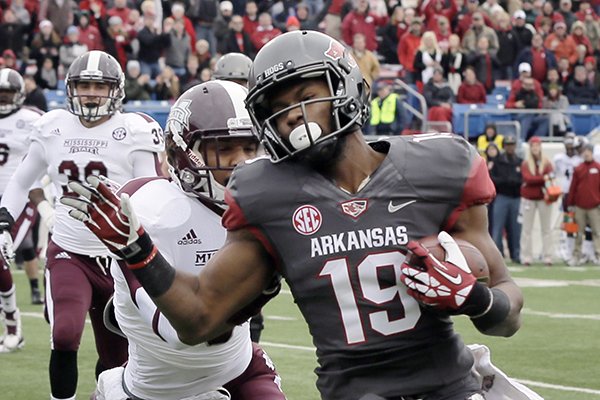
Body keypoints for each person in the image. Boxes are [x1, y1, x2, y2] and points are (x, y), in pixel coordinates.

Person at [65, 31, 525, 400]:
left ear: (348, 87)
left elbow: (508, 312)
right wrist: (139, 248)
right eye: (277, 107)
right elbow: (199, 320)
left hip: (453, 386)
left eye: (306, 95)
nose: (293, 115)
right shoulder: (267, 193)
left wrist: (476, 300)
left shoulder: (438, 165)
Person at [89, 80, 286, 400]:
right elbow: (180, 333)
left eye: (250, 147)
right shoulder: (150, 208)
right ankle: (115, 385)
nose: (241, 161)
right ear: (181, 153)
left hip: (237, 367)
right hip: (157, 387)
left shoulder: (266, 205)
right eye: (224, 148)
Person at [0, 50, 164, 400]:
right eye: (84, 85)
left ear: (115, 90)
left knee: (116, 356)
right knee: (65, 334)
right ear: (71, 88)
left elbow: (151, 193)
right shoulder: (53, 126)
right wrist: (4, 220)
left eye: (98, 86)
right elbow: (21, 180)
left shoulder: (134, 130)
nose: (90, 93)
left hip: (121, 258)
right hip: (70, 251)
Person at [212, 52, 267, 344]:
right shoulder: (207, 113)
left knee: (254, 294)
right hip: (211, 210)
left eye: (241, 83)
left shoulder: (264, 119)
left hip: (250, 213)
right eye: (229, 82)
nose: (236, 89)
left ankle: (250, 353)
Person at [0, 69, 47, 352]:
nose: (4, 100)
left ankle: (13, 326)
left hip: (20, 201)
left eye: (7, 95)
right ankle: (12, 325)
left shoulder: (33, 120)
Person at [519, 136, 554, 266]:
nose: (535, 148)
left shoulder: (547, 162)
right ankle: (526, 256)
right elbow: (528, 179)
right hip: (529, 198)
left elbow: (551, 176)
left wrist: (541, 178)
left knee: (546, 228)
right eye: (533, 146)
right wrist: (543, 178)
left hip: (544, 198)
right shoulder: (526, 163)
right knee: (527, 229)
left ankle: (548, 256)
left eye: (537, 146)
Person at [490, 136, 523, 264]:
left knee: (516, 228)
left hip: (516, 197)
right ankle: (498, 256)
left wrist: (511, 181)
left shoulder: (519, 161)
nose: (510, 147)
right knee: (497, 228)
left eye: (512, 144)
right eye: (508, 144)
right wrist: (509, 181)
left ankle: (516, 254)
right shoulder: (498, 161)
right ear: (504, 146)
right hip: (502, 196)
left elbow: (522, 179)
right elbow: (493, 179)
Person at [566, 143, 600, 266]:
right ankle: (576, 256)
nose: (586, 154)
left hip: (595, 206)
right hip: (580, 206)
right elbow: (573, 187)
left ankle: (598, 255)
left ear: (592, 152)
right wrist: (570, 203)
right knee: (578, 233)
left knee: (597, 232)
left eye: (588, 151)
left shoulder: (598, 167)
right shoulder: (578, 168)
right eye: (585, 151)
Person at [553, 133, 582, 262]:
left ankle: (582, 251)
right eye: (568, 145)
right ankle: (568, 250)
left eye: (572, 145)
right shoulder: (559, 158)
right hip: (566, 194)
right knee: (569, 221)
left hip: (579, 194)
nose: (570, 148)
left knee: (582, 223)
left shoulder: (580, 159)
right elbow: (554, 174)